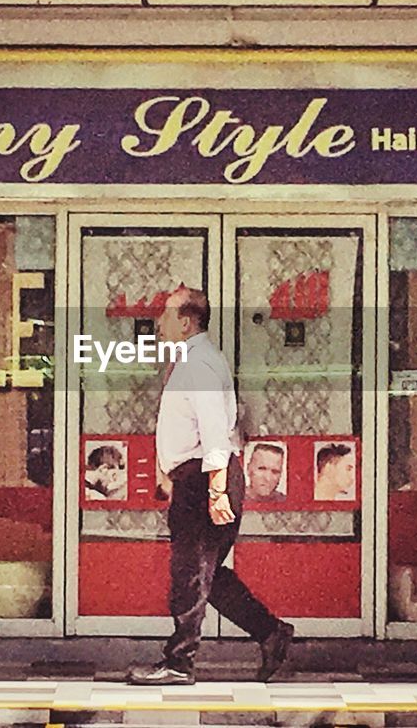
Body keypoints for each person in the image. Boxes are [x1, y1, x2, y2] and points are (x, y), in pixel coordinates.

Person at [127, 286, 295, 686]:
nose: (159, 322)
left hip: (205, 479)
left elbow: (217, 434)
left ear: (186, 322)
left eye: (167, 315)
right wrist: (173, 473)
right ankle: (271, 633)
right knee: (208, 575)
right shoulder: (197, 359)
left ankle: (179, 663)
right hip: (197, 476)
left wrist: (215, 490)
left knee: (189, 574)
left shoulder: (199, 364)